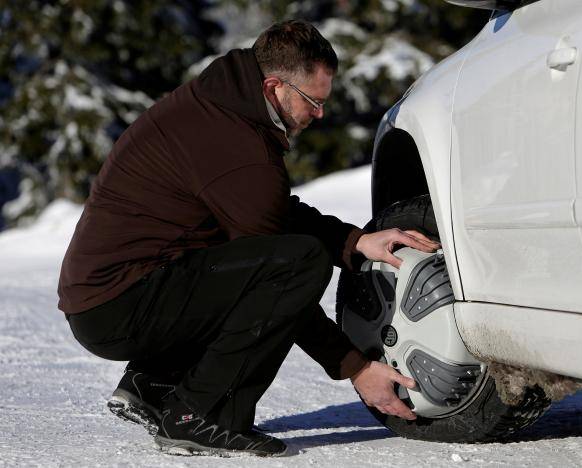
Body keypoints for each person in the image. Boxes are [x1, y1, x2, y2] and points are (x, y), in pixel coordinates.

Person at [58, 20, 439, 457]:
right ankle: (200, 414)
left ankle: (153, 384)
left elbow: (266, 210)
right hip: (121, 304)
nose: (319, 115)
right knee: (298, 264)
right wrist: (356, 368)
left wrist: (354, 241)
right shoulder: (235, 142)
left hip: (111, 295)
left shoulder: (223, 104)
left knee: (262, 261)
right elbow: (277, 278)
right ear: (275, 86)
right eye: (313, 102)